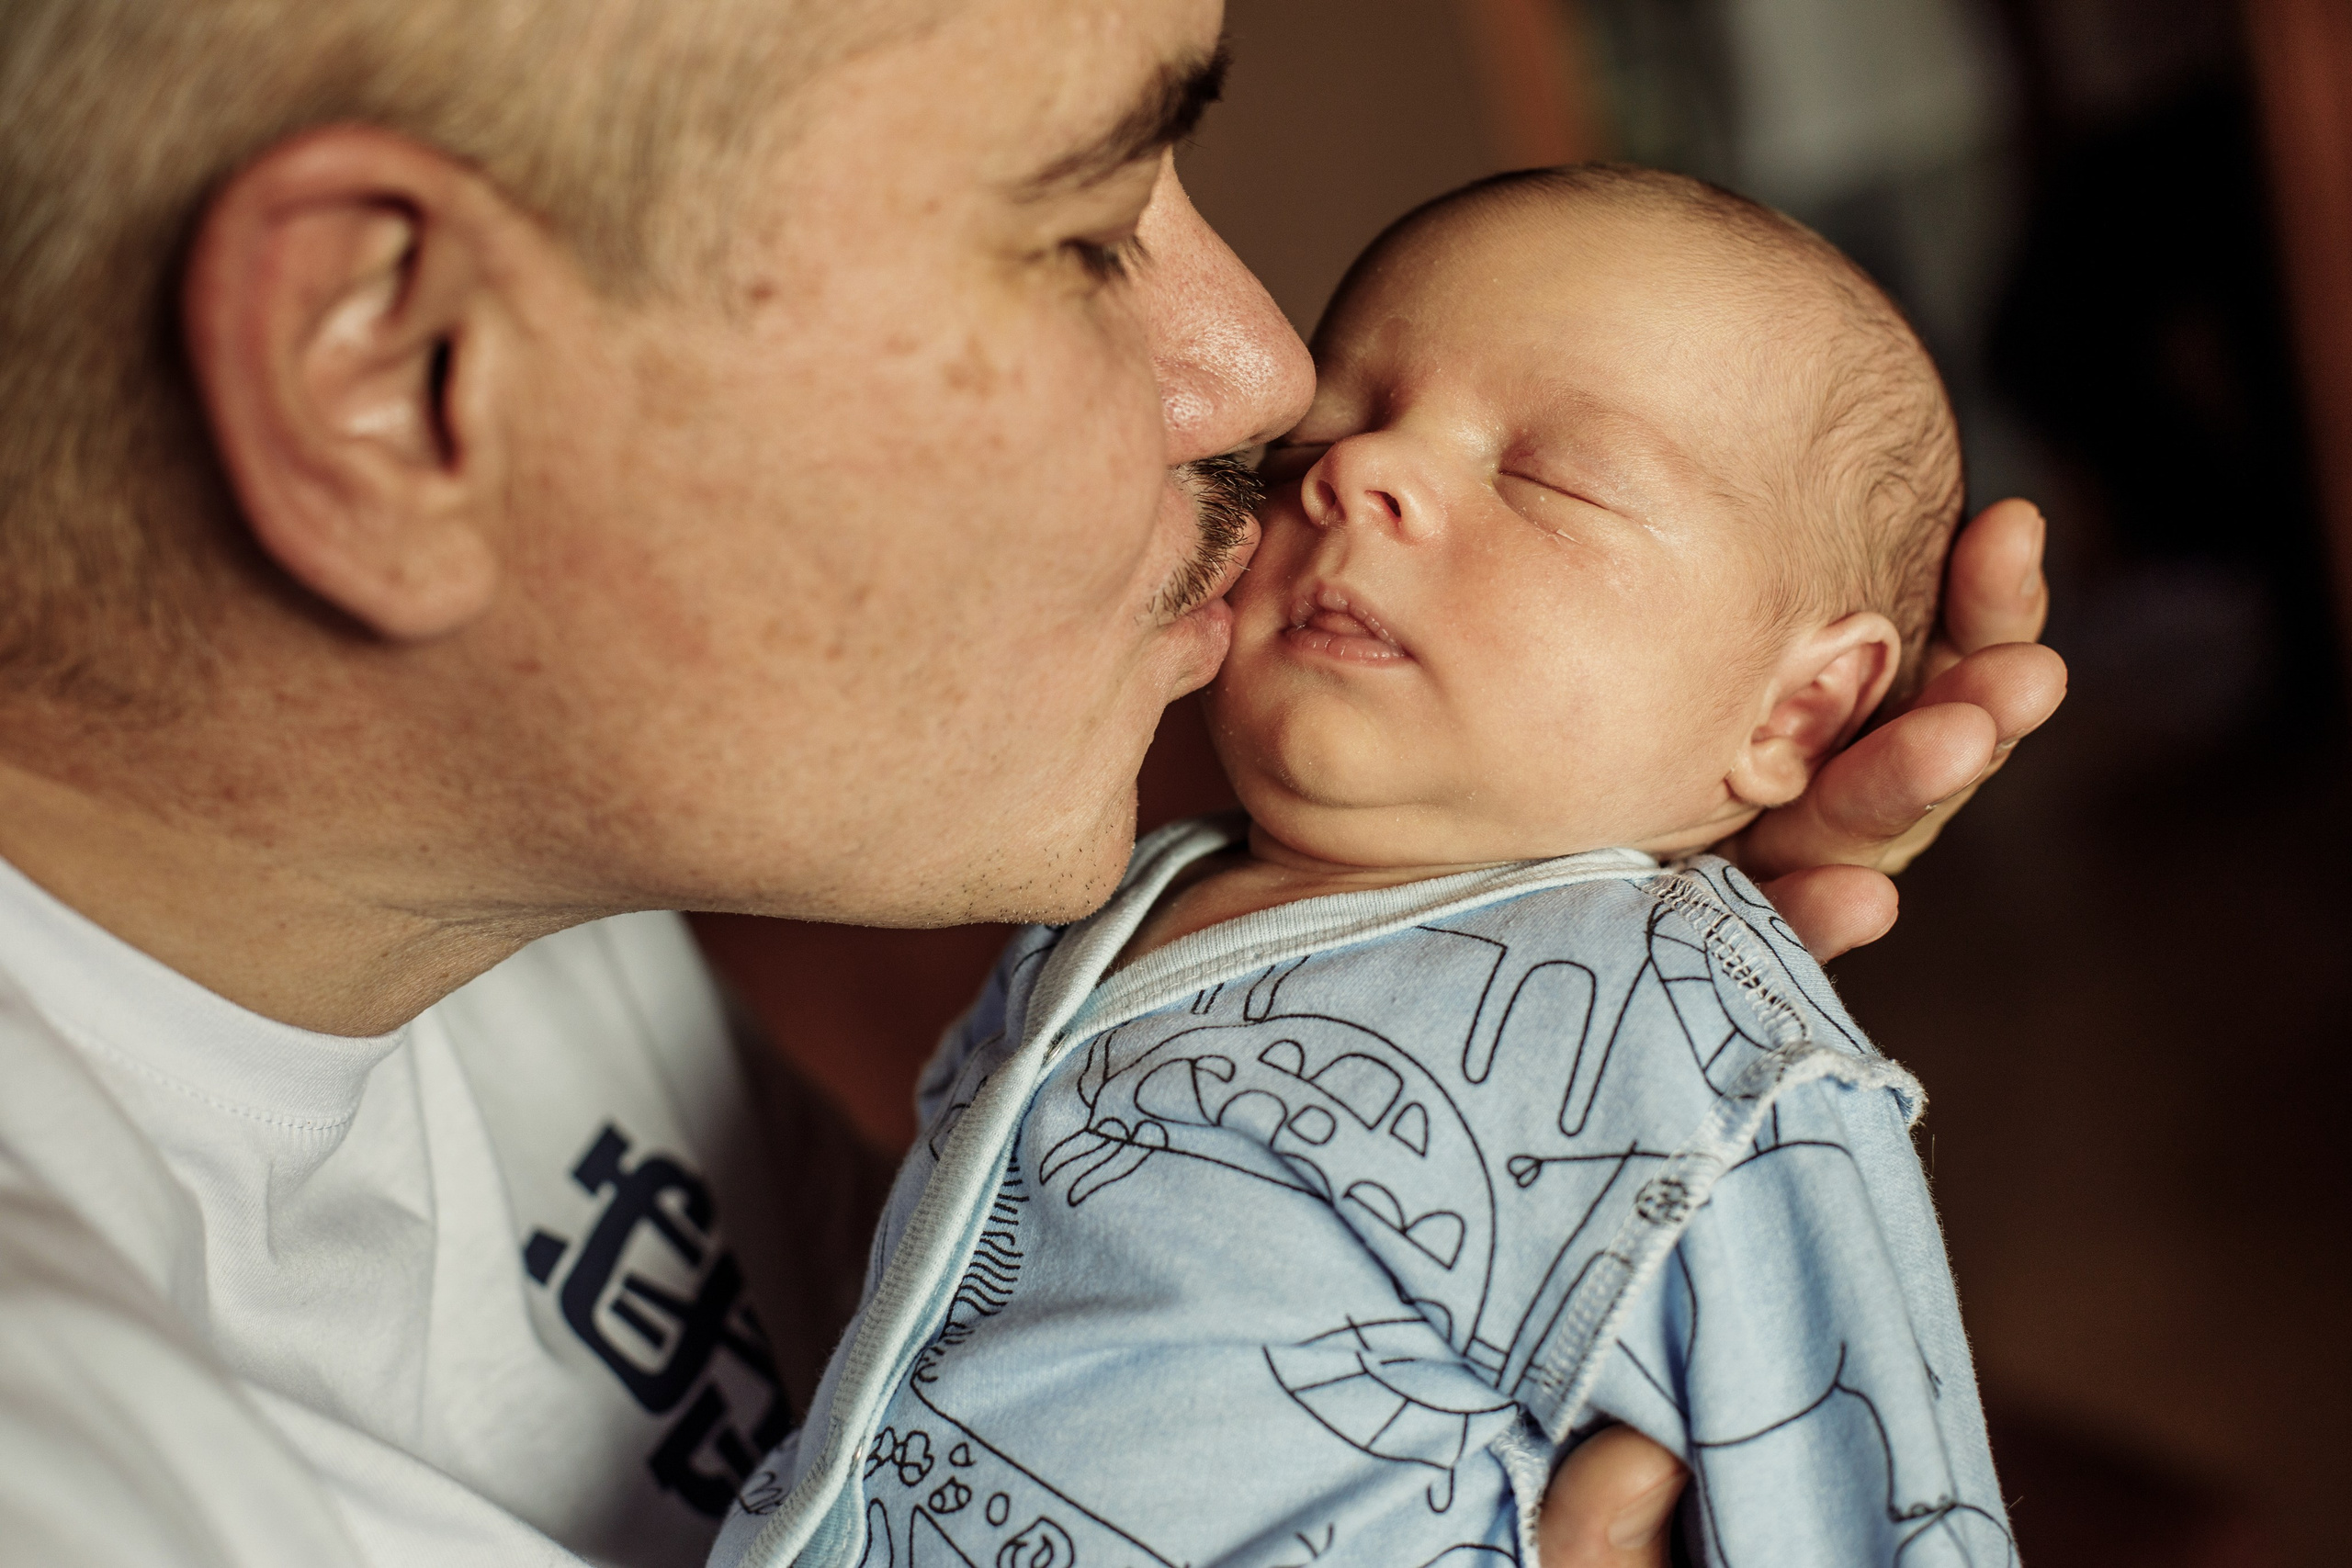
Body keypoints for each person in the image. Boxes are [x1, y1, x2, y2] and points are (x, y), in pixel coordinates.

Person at [0, 3, 2064, 1567]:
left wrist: (1495, 936)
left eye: (1551, 476)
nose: (1277, 389)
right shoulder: (79, 1470)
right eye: (1085, 226)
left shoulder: (494, 879)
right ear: (395, 368)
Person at [716, 165, 2010, 1568]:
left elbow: (1875, 1492)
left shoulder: (1695, 1034)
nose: (1354, 472)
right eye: (1323, 433)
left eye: (1547, 477)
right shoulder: (1120, 896)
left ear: (1797, 712)